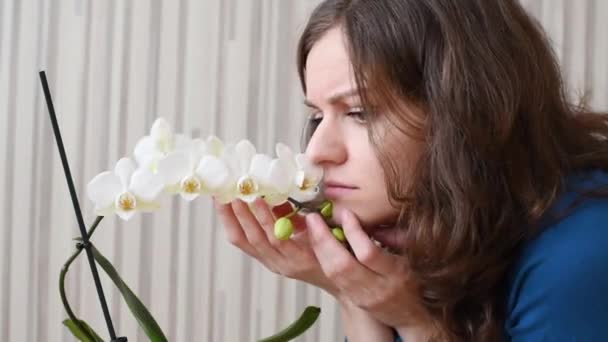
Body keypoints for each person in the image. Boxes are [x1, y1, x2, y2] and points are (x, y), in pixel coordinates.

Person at [213, 0, 608, 340]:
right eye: (318, 116)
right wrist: (355, 294)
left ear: (464, 112)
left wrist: (417, 324)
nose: (316, 153)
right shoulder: (418, 229)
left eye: (359, 113)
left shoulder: (579, 256)